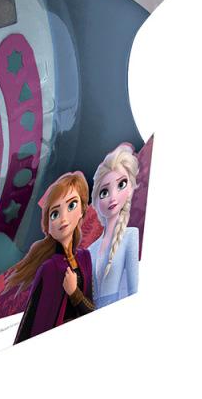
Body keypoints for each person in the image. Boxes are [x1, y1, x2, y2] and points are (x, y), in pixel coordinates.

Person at [11, 171, 96, 343]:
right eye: (55, 214)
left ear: (82, 209)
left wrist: (74, 293)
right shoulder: (49, 268)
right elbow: (31, 318)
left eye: (71, 205)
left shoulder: (85, 257)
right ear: (48, 227)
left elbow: (91, 309)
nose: (63, 219)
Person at [90, 143, 140, 307]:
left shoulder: (131, 236)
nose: (112, 198)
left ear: (130, 188)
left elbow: (134, 289)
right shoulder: (90, 249)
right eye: (104, 192)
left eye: (121, 185)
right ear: (96, 200)